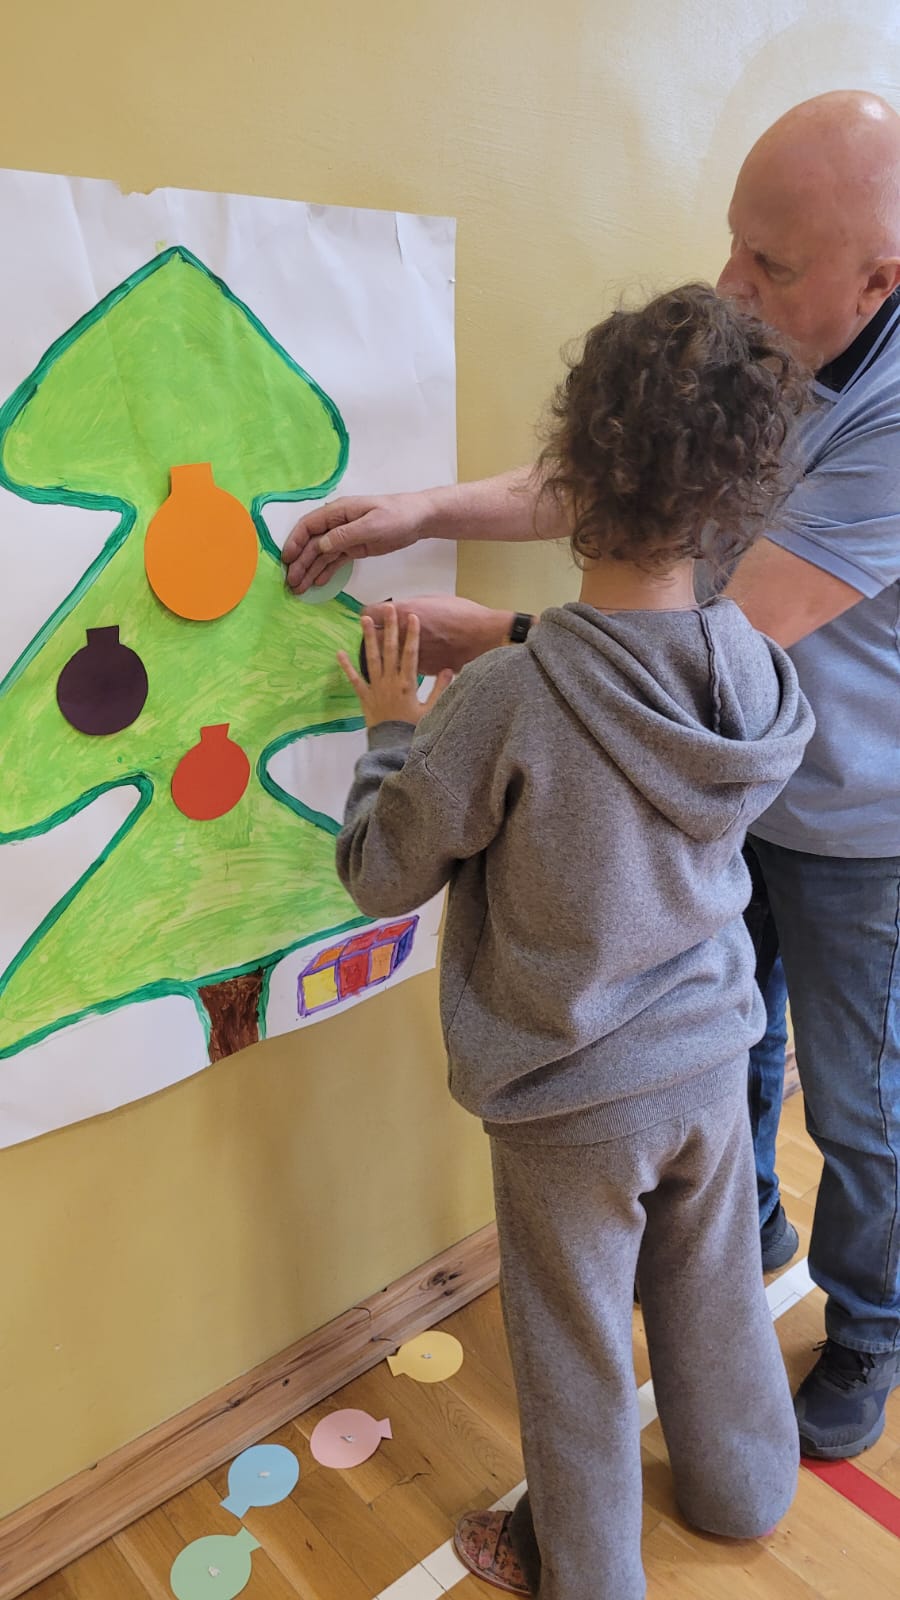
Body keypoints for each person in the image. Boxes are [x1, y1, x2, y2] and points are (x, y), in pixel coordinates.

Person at [284, 90, 900, 1460]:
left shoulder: (550, 692)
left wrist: (447, 685)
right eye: (733, 243)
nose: (732, 284)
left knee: (861, 1100)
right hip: (733, 836)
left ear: (878, 282)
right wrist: (426, 508)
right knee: (743, 1073)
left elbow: (721, 638)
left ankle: (869, 1322)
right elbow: (657, 547)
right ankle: (738, 1305)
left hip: (858, 826)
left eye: (770, 264)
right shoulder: (762, 366)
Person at [333, 284, 813, 1600]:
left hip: (570, 1100)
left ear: (575, 472)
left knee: (575, 1347)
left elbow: (381, 874)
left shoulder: (508, 695)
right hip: (712, 1058)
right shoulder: (754, 669)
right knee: (714, 1294)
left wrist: (390, 731)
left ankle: (587, 1575)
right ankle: (744, 1488)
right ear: (738, 500)